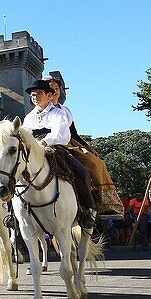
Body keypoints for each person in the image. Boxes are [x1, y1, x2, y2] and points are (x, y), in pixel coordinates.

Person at [20, 79, 96, 229]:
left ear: (49, 95)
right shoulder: (29, 117)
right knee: (14, 174)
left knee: (82, 172)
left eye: (39, 93)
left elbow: (60, 135)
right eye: (33, 95)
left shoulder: (58, 113)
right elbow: (25, 135)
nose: (35, 97)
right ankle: (13, 214)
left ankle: (87, 209)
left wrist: (42, 143)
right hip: (34, 152)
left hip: (55, 150)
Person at [46, 76, 123, 215]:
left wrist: (88, 147)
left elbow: (73, 133)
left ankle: (102, 201)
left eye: (57, 88)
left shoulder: (65, 110)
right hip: (51, 143)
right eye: (51, 89)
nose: (55, 91)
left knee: (97, 163)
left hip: (70, 143)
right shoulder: (42, 111)